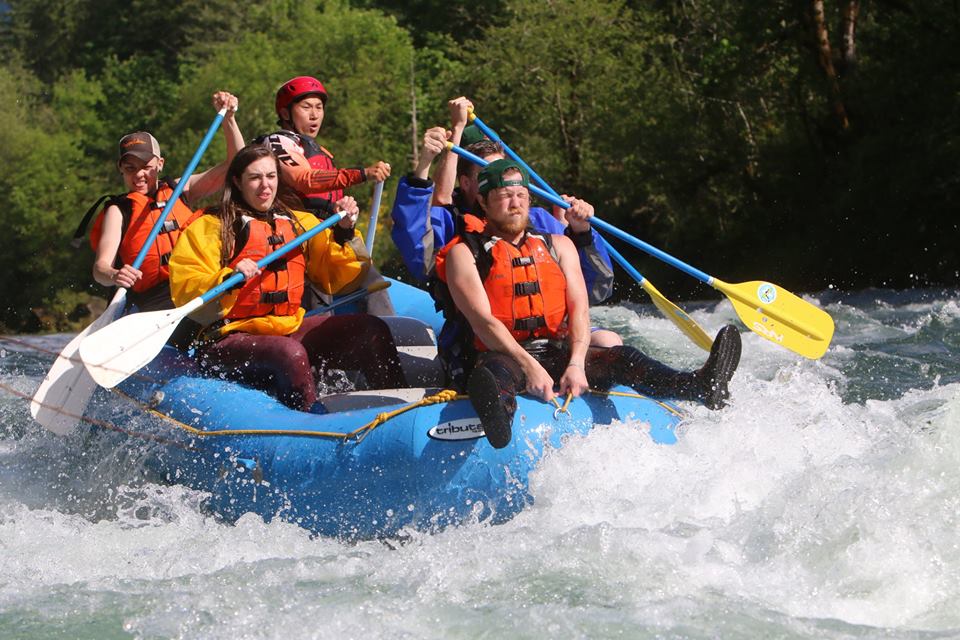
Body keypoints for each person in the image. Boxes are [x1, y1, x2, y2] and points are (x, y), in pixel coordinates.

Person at [437, 159, 742, 448]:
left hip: (558, 351)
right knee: (494, 375)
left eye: (521, 195)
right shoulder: (464, 253)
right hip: (503, 355)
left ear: (529, 200)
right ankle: (500, 419)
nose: (515, 203)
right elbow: (483, 322)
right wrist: (530, 367)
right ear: (483, 201)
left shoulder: (559, 245)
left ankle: (699, 386)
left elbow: (579, 308)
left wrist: (575, 363)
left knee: (622, 356)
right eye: (504, 196)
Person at [167, 144, 406, 411]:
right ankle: (309, 423)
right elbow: (186, 289)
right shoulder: (211, 226)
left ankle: (397, 412)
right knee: (289, 354)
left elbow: (341, 275)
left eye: (271, 176)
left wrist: (344, 231)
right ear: (237, 181)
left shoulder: (298, 222)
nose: (265, 186)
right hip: (228, 336)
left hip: (286, 326)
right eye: (255, 178)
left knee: (371, 330)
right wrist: (227, 277)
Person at [82, 91, 243, 313]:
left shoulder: (180, 189)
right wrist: (115, 275)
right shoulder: (118, 211)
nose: (139, 175)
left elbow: (237, 164)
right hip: (150, 299)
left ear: (160, 164)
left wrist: (229, 119)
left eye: (146, 167)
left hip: (190, 288)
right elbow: (100, 269)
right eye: (130, 168)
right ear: (120, 169)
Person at [258, 75, 394, 314]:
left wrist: (342, 208)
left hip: (330, 234)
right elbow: (304, 180)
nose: (314, 115)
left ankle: (390, 338)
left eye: (319, 108)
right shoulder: (278, 142)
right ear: (286, 113)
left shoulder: (319, 150)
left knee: (371, 280)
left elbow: (323, 200)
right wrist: (362, 173)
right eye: (306, 107)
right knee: (319, 299)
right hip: (298, 241)